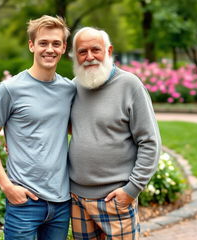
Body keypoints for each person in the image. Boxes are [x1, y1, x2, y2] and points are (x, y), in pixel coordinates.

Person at [0, 15, 76, 240]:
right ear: (32, 45)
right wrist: (6, 185)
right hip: (24, 202)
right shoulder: (10, 89)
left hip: (61, 203)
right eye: (43, 43)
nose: (49, 49)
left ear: (63, 48)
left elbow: (74, 129)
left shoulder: (68, 90)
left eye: (55, 43)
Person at [68, 27, 161, 240]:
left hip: (115, 199)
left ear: (109, 51)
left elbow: (150, 142)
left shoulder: (130, 85)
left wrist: (131, 190)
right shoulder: (74, 87)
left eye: (95, 50)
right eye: (82, 51)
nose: (89, 57)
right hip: (77, 199)